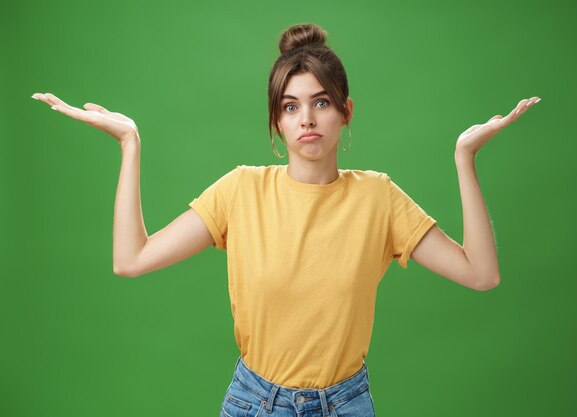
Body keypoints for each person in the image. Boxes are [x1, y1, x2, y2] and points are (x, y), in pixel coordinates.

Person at [32, 22, 540, 417]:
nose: (307, 119)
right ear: (277, 119)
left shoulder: (379, 198)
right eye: (291, 106)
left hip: (347, 403)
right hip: (255, 403)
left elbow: (482, 274)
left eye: (321, 102)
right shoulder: (241, 190)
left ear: (345, 110)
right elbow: (131, 259)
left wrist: (464, 158)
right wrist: (130, 143)